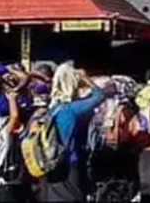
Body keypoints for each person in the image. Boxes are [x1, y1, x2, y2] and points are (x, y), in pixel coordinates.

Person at [37, 62, 114, 202]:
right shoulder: (72, 109)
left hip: (52, 161)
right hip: (69, 162)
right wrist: (86, 79)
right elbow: (99, 96)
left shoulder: (55, 108)